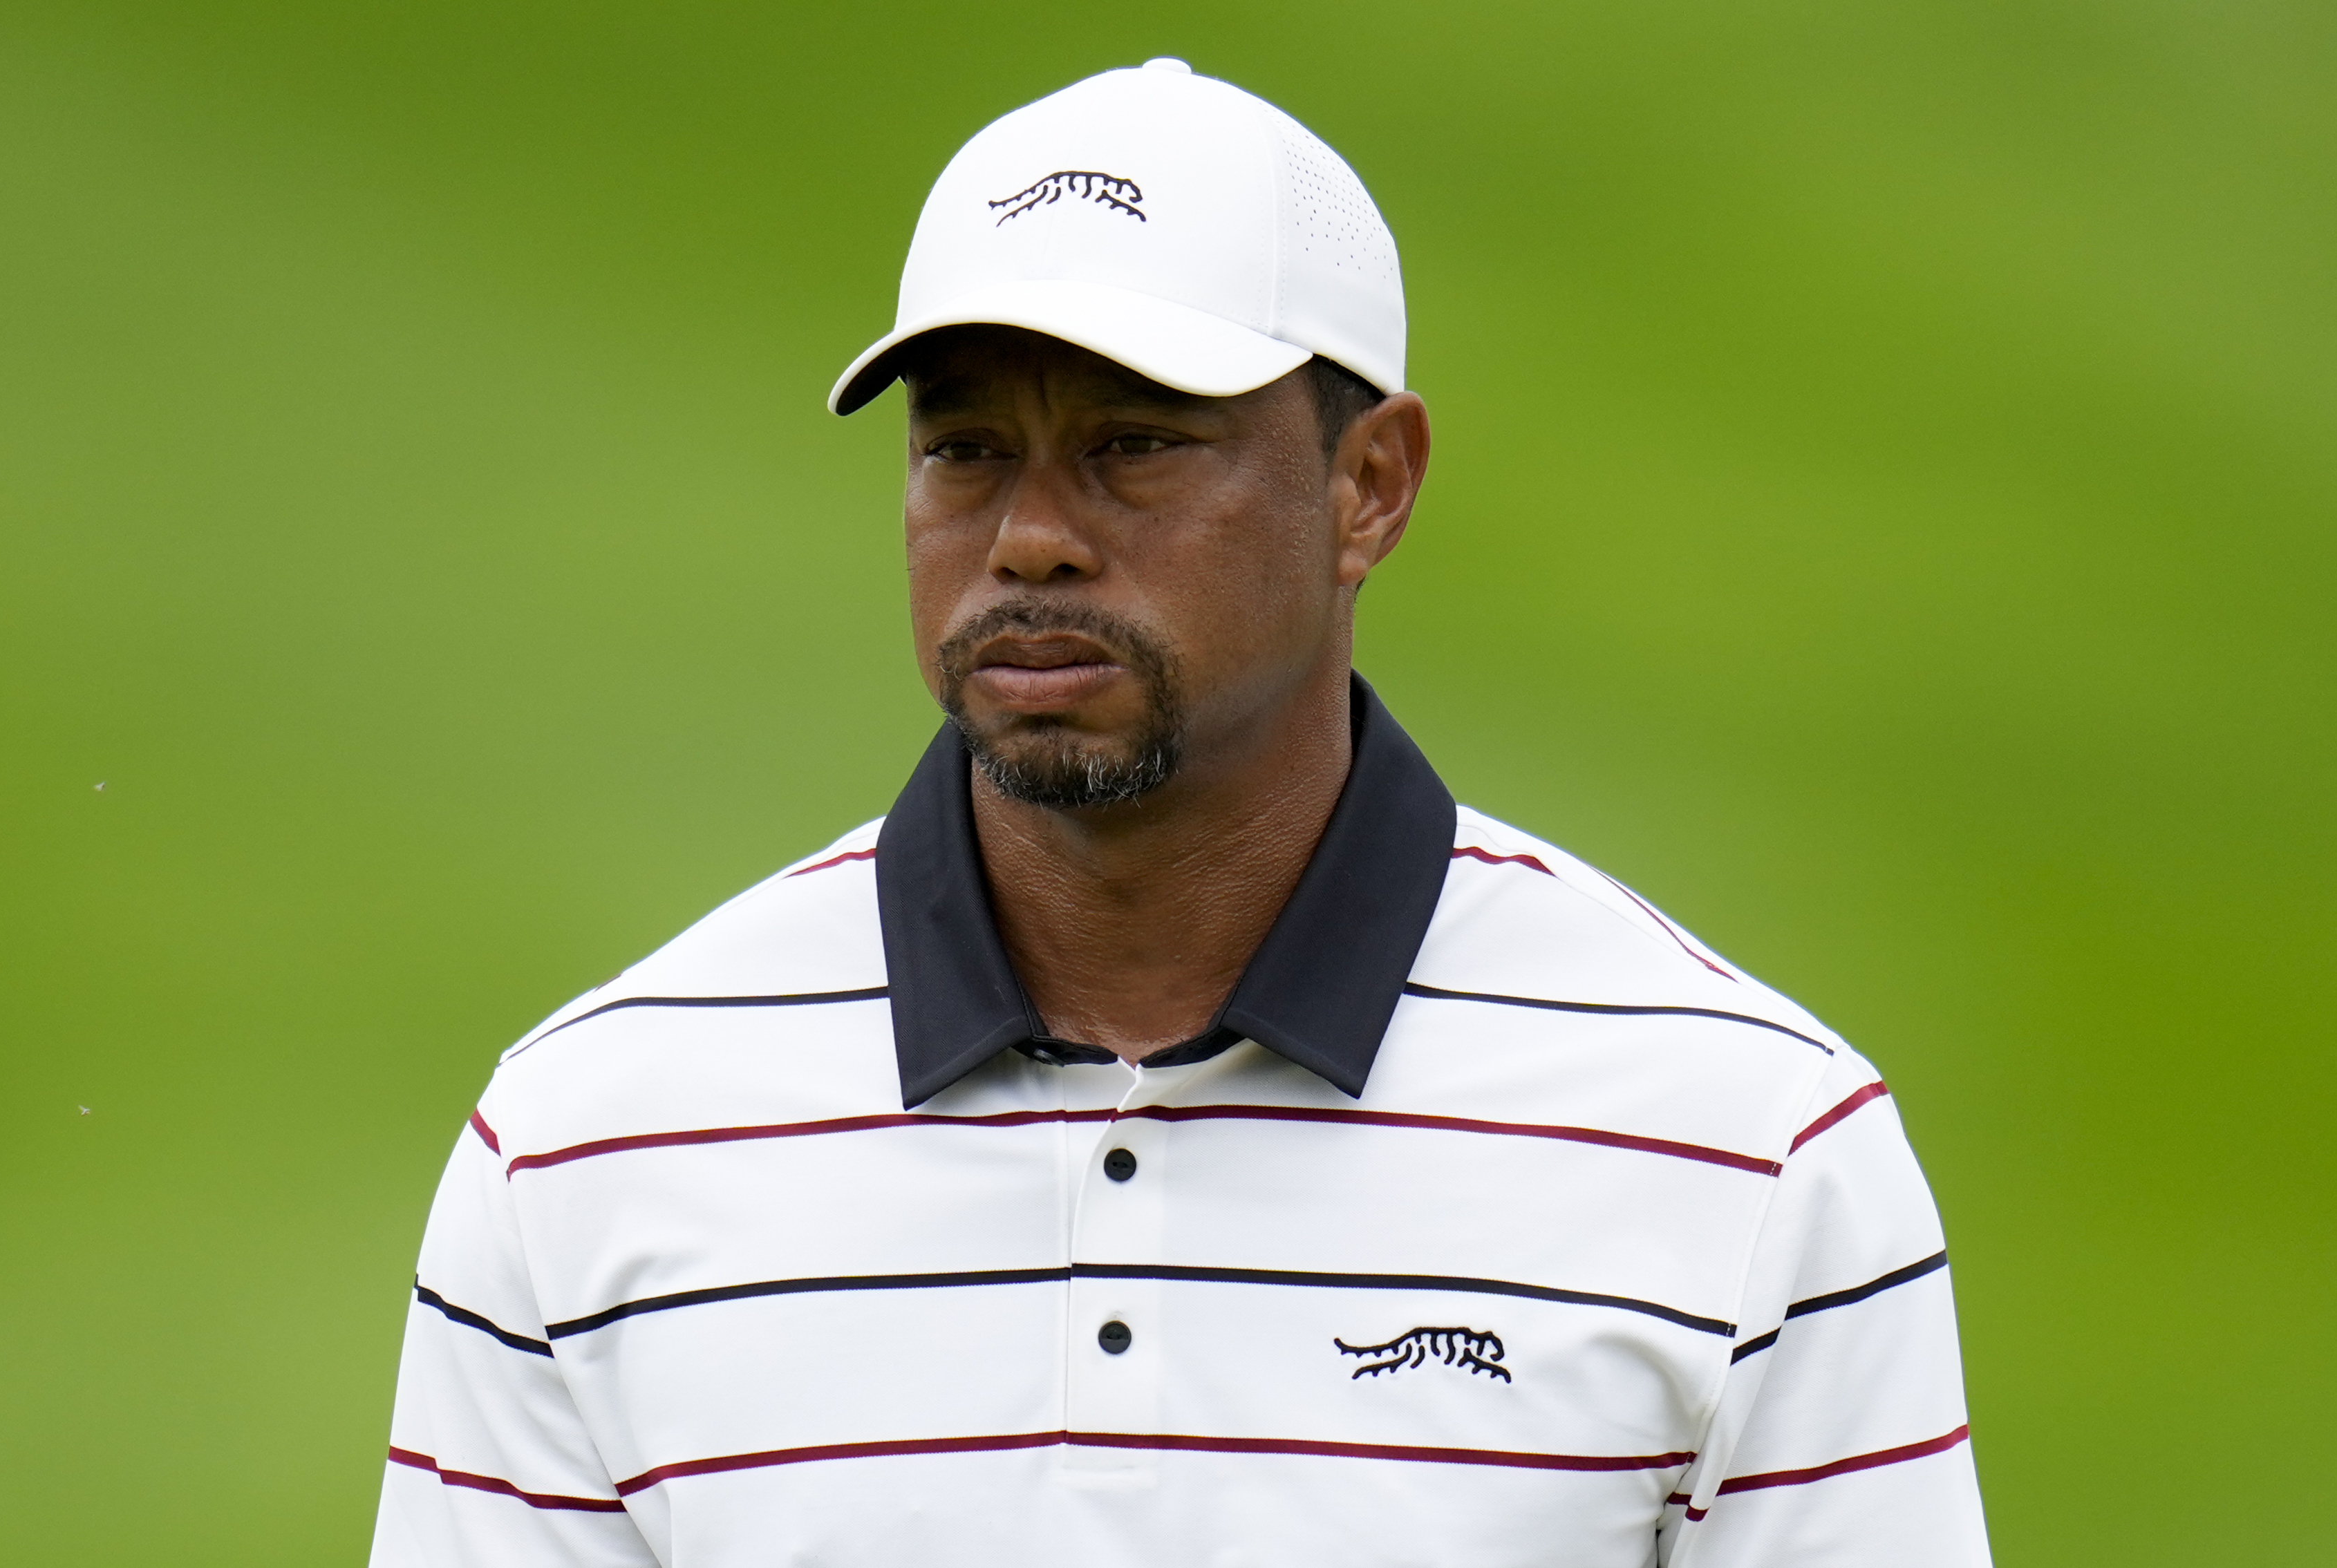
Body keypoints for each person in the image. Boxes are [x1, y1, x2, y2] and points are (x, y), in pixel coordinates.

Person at [370, 59, 1991, 1568]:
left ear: (1369, 486)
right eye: (965, 449)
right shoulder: (591, 1143)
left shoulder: (1746, 1145)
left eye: (1134, 444)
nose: (1030, 536)